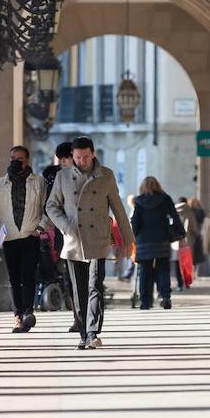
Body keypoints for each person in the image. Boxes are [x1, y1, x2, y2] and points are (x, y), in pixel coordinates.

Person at [46, 136, 135, 350]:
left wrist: (128, 239)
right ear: (73, 156)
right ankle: (84, 334)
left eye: (86, 156)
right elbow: (51, 206)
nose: (82, 161)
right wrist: (67, 227)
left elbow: (118, 208)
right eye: (78, 157)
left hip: (98, 238)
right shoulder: (62, 177)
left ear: (93, 154)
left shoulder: (106, 175)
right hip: (73, 240)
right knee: (79, 290)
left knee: (95, 285)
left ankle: (93, 332)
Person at [0, 145, 49, 332]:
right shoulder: (0, 184)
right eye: (12, 158)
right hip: (9, 237)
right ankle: (18, 316)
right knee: (14, 278)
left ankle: (28, 312)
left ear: (27, 161)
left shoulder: (39, 182)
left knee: (28, 276)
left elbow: (47, 207)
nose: (15, 162)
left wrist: (40, 228)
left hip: (30, 235)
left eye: (19, 159)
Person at [42, 142, 81, 334]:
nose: (64, 161)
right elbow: (48, 204)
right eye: (61, 158)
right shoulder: (52, 176)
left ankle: (86, 315)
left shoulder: (85, 173)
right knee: (68, 276)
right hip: (62, 232)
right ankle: (77, 317)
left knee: (86, 276)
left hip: (84, 231)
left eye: (67, 157)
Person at [130, 177, 182, 310]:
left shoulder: (139, 201)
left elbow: (135, 221)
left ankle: (145, 301)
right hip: (162, 240)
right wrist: (180, 232)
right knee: (163, 269)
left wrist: (133, 235)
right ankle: (165, 296)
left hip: (144, 242)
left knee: (144, 271)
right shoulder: (165, 199)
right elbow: (175, 216)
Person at [173, 197, 200, 291]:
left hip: (175, 242)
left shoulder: (173, 212)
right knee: (186, 262)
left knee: (177, 263)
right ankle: (187, 281)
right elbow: (195, 228)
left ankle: (179, 284)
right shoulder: (190, 212)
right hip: (187, 241)